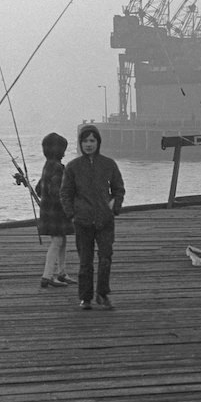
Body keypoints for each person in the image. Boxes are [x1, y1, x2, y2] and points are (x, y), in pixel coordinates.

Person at [61, 125, 125, 311]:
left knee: (105, 258)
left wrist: (115, 206)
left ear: (98, 143)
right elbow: (65, 193)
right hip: (83, 221)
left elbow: (119, 188)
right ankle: (85, 297)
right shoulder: (73, 167)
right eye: (85, 141)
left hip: (105, 220)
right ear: (80, 143)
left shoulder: (109, 164)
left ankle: (103, 294)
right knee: (85, 262)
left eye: (92, 141)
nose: (89, 145)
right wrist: (72, 213)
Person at [32, 132, 74, 288]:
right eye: (63, 149)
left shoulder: (47, 165)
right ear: (59, 150)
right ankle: (47, 275)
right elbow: (57, 191)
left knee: (62, 240)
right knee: (57, 241)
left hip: (47, 212)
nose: (64, 152)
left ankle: (62, 273)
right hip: (57, 212)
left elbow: (39, 189)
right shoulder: (58, 168)